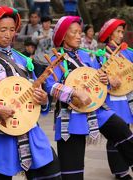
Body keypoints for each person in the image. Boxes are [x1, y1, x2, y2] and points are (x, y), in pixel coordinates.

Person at [0, 6, 62, 180]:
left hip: (28, 128)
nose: (8, 34)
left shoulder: (22, 59)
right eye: (3, 30)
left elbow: (34, 87)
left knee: (51, 172)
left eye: (12, 30)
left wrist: (43, 99)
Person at [45, 16, 133, 180]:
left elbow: (100, 78)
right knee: (72, 173)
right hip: (70, 116)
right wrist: (74, 93)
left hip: (97, 109)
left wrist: (105, 80)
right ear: (63, 35)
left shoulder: (88, 56)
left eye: (80, 32)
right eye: (74, 32)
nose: (79, 36)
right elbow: (50, 86)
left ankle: (123, 170)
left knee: (124, 134)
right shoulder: (55, 59)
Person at [97, 18, 133, 180]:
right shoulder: (100, 55)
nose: (121, 35)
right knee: (114, 134)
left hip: (126, 98)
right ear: (108, 34)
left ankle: (125, 164)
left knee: (125, 130)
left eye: (121, 31)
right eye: (118, 32)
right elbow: (96, 76)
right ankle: (120, 170)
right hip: (110, 98)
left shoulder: (126, 52)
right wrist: (110, 80)